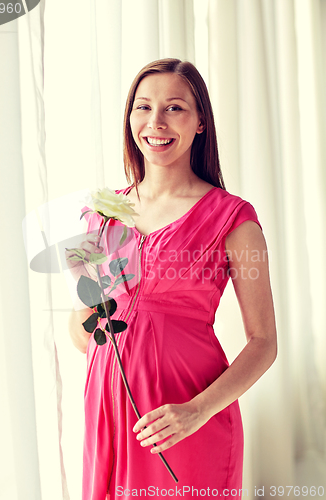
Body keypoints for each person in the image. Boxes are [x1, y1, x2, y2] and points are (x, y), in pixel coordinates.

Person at [67, 58, 277, 499]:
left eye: (175, 108)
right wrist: (95, 320)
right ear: (129, 118)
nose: (155, 122)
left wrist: (196, 412)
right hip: (110, 411)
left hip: (184, 419)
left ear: (201, 121)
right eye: (143, 107)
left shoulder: (234, 218)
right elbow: (82, 326)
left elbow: (264, 342)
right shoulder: (99, 213)